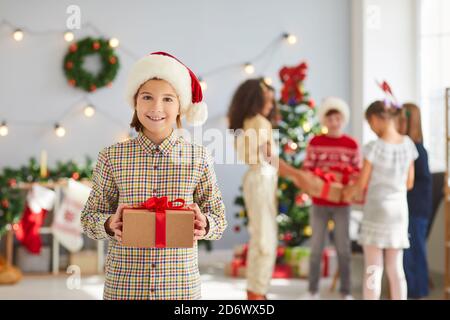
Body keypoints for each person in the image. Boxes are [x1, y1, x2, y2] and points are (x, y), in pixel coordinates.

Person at [81, 52, 227, 300]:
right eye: (147, 97)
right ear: (135, 102)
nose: (156, 108)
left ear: (180, 106)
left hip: (180, 288)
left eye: (168, 99)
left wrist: (206, 225)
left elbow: (219, 218)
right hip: (124, 287)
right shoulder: (111, 157)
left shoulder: (198, 158)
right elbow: (88, 218)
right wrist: (108, 224)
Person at [228, 78, 300, 300]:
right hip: (261, 179)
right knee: (265, 238)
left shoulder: (246, 123)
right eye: (267, 100)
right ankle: (257, 292)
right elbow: (270, 157)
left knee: (261, 235)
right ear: (257, 100)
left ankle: (256, 289)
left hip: (257, 179)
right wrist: (299, 176)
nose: (271, 105)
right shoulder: (260, 122)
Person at [343, 100, 418, 300]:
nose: (372, 128)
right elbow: (410, 182)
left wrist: (349, 193)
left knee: (373, 268)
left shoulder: (374, 147)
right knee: (396, 268)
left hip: (377, 209)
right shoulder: (408, 144)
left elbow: (361, 184)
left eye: (370, 124)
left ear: (376, 119)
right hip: (399, 211)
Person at [302, 97, 360, 300]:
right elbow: (307, 170)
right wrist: (321, 176)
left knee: (343, 248)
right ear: (324, 121)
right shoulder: (315, 142)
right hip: (319, 203)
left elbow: (357, 174)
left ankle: (346, 292)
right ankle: (312, 290)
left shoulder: (351, 144)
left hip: (343, 204)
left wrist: (343, 179)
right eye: (330, 119)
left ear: (344, 119)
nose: (334, 122)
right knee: (316, 248)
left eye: (338, 118)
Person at [398, 103, 432, 299]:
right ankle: (411, 290)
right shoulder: (407, 148)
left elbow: (418, 181)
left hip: (416, 208)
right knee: (409, 251)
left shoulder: (416, 150)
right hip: (410, 207)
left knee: (414, 251)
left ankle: (416, 291)